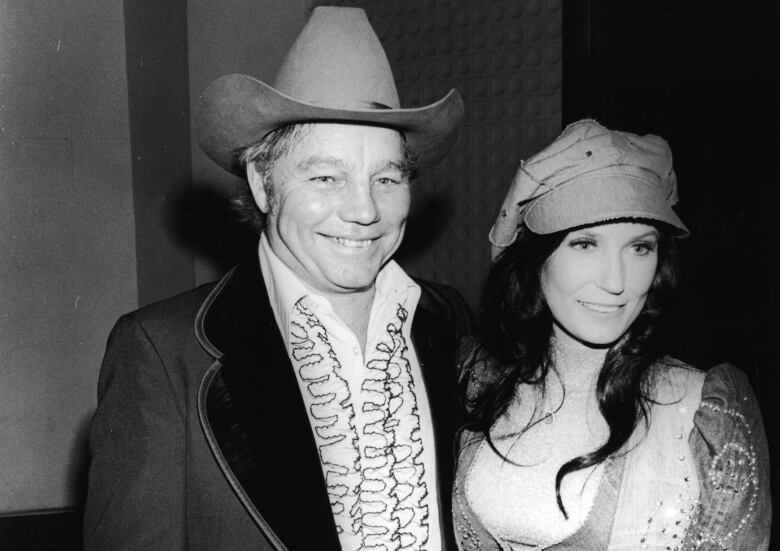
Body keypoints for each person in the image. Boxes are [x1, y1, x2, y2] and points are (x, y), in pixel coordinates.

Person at [83, 7, 471, 551]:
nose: (364, 210)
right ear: (263, 185)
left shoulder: (450, 323)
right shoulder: (162, 355)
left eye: (385, 177)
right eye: (326, 176)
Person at [453, 119, 771, 550]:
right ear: (534, 258)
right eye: (585, 244)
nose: (617, 281)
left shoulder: (703, 408)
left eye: (640, 247)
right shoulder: (474, 377)